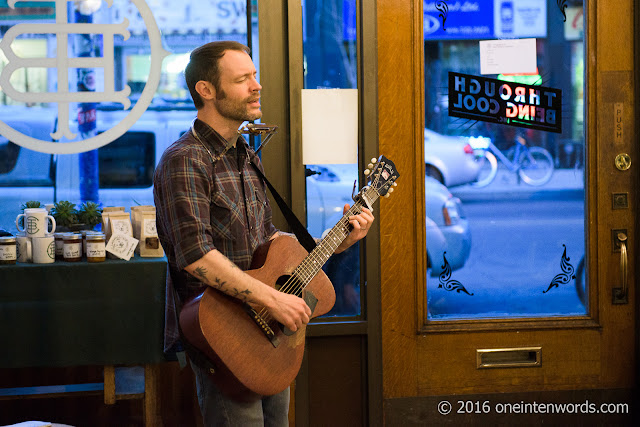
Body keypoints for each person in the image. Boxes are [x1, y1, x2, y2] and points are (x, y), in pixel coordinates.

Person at [153, 40, 374, 426]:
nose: (257, 86)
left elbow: (269, 245)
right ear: (206, 90)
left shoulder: (246, 155)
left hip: (269, 335)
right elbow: (195, 257)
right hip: (222, 337)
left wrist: (339, 241)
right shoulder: (184, 160)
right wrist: (271, 300)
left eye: (254, 76)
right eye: (243, 79)